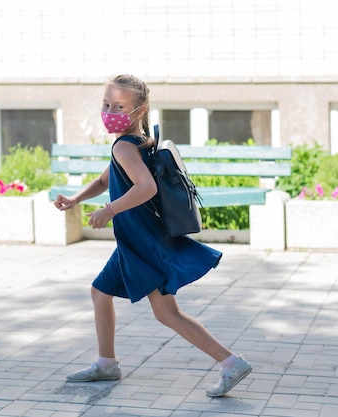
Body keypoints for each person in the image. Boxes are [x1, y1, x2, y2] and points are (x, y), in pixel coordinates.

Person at [54, 74, 252, 397]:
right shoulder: (136, 143)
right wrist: (76, 199)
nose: (109, 111)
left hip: (141, 244)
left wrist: (110, 211)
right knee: (100, 293)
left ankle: (230, 362)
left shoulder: (124, 147)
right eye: (106, 104)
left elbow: (147, 187)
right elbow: (107, 179)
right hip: (136, 242)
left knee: (166, 313)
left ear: (140, 109)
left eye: (119, 106)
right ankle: (106, 363)